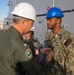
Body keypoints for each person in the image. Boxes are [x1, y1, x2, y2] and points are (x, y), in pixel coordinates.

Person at [0, 2, 54, 75]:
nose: (31, 27)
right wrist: (47, 58)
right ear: (24, 22)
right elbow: (37, 71)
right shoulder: (21, 46)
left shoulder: (2, 34)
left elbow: (14, 54)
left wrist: (39, 51)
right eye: (31, 23)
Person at [45, 7, 74, 75]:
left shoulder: (68, 38)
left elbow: (71, 62)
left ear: (58, 21)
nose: (47, 22)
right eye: (47, 20)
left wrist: (55, 55)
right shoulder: (48, 37)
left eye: (49, 20)